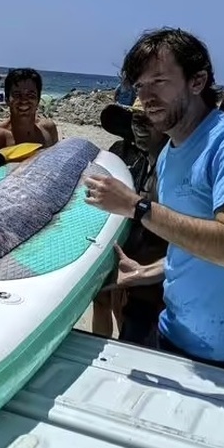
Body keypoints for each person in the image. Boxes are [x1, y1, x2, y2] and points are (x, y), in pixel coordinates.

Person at [85, 27, 224, 378]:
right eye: (139, 86)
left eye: (159, 81)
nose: (147, 96)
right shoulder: (169, 154)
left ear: (197, 81)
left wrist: (138, 207)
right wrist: (148, 272)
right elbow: (193, 244)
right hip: (173, 335)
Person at [92, 98, 169, 342]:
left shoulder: (167, 163)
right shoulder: (120, 152)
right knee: (106, 301)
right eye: (137, 120)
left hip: (153, 260)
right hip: (121, 244)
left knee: (127, 311)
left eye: (148, 120)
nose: (140, 128)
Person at [0, 68, 58, 167]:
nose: (24, 100)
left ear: (38, 99)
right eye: (17, 95)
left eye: (30, 95)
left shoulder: (48, 129)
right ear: (7, 99)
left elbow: (55, 167)